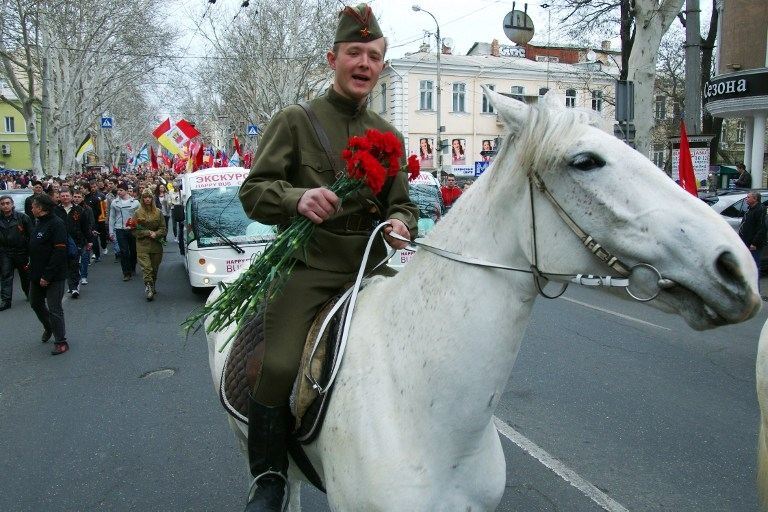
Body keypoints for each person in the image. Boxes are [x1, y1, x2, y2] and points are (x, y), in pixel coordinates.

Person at [237, 4, 418, 510]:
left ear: (382, 67)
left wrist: (403, 220)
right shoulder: (297, 121)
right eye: (354, 53)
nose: (364, 63)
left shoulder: (391, 135)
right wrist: (297, 198)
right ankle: (269, 475)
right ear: (332, 58)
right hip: (311, 269)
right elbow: (253, 191)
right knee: (276, 365)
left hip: (373, 270)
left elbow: (401, 200)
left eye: (375, 56)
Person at [28, 194, 69, 355]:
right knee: (35, 303)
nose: (31, 209)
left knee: (55, 308)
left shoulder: (56, 224)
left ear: (41, 208)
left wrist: (47, 276)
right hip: (36, 273)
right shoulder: (38, 222)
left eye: (33, 206)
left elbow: (59, 251)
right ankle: (49, 327)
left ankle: (61, 341)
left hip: (53, 275)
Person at [54, 188, 91, 298]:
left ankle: (74, 287)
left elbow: (85, 226)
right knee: (62, 265)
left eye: (67, 195)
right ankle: (63, 287)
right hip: (59, 242)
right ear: (59, 197)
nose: (65, 198)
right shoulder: (55, 210)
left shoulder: (79, 210)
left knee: (74, 264)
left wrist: (89, 241)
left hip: (76, 241)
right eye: (63, 196)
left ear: (71, 197)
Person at [0, 195, 32, 310]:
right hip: (5, 252)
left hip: (21, 252)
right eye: (2, 204)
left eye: (7, 203)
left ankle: (30, 294)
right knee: (6, 276)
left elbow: (31, 235)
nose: (5, 206)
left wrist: (30, 252)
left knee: (25, 275)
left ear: (12, 204)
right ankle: (6, 301)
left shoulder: (22, 218)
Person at [133, 188, 166, 301]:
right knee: (146, 268)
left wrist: (156, 234)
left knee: (154, 268)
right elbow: (134, 230)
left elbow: (163, 229)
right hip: (142, 245)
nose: (147, 199)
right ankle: (149, 287)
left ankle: (152, 284)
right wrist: (147, 233)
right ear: (142, 199)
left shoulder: (158, 212)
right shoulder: (137, 213)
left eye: (149, 197)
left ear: (152, 198)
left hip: (156, 246)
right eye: (145, 197)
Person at [109, 183, 139, 281]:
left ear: (126, 190)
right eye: (118, 190)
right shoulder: (114, 202)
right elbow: (112, 217)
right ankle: (126, 273)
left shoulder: (135, 202)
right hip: (120, 229)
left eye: (121, 190)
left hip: (132, 229)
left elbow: (139, 216)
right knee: (124, 251)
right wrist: (111, 232)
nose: (119, 192)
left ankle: (133, 266)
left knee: (133, 250)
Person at [72, 190, 95, 285]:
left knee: (85, 257)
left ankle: (84, 276)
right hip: (73, 236)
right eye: (75, 197)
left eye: (79, 197)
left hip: (85, 236)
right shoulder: (71, 209)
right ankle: (75, 276)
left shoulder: (87, 209)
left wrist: (90, 236)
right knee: (74, 258)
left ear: (82, 198)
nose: (77, 199)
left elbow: (91, 222)